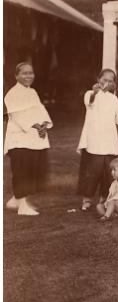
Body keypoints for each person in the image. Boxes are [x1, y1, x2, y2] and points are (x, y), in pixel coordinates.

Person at [77, 69, 118, 212]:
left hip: (109, 139)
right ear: (98, 78)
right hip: (94, 138)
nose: (107, 82)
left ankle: (104, 198)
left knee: (109, 172)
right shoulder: (90, 94)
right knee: (92, 170)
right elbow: (89, 102)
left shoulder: (113, 98)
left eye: (111, 80)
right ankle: (87, 198)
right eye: (104, 79)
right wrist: (95, 92)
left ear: (114, 82)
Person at [4, 62, 53, 216]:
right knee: (22, 171)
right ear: (16, 76)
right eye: (24, 73)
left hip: (34, 138)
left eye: (30, 73)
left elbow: (41, 110)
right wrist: (36, 126)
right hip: (19, 140)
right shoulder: (12, 94)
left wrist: (44, 124)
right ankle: (23, 207)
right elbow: (17, 115)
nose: (28, 76)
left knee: (33, 170)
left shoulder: (32, 92)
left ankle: (16, 200)